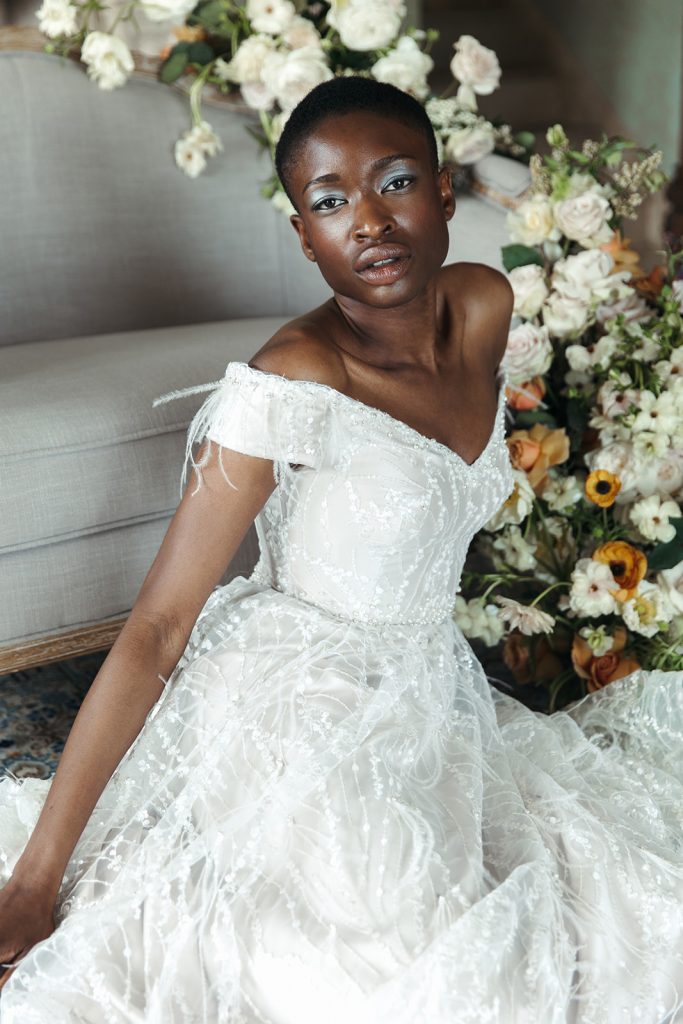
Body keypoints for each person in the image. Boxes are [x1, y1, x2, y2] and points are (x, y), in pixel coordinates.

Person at [0, 76, 681, 1024]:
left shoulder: (485, 305)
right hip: (296, 694)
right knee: (412, 966)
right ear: (303, 235)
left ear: (445, 196)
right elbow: (158, 627)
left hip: (427, 685)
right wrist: (37, 882)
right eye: (329, 202)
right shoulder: (292, 380)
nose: (367, 221)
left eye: (394, 183)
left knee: (620, 907)